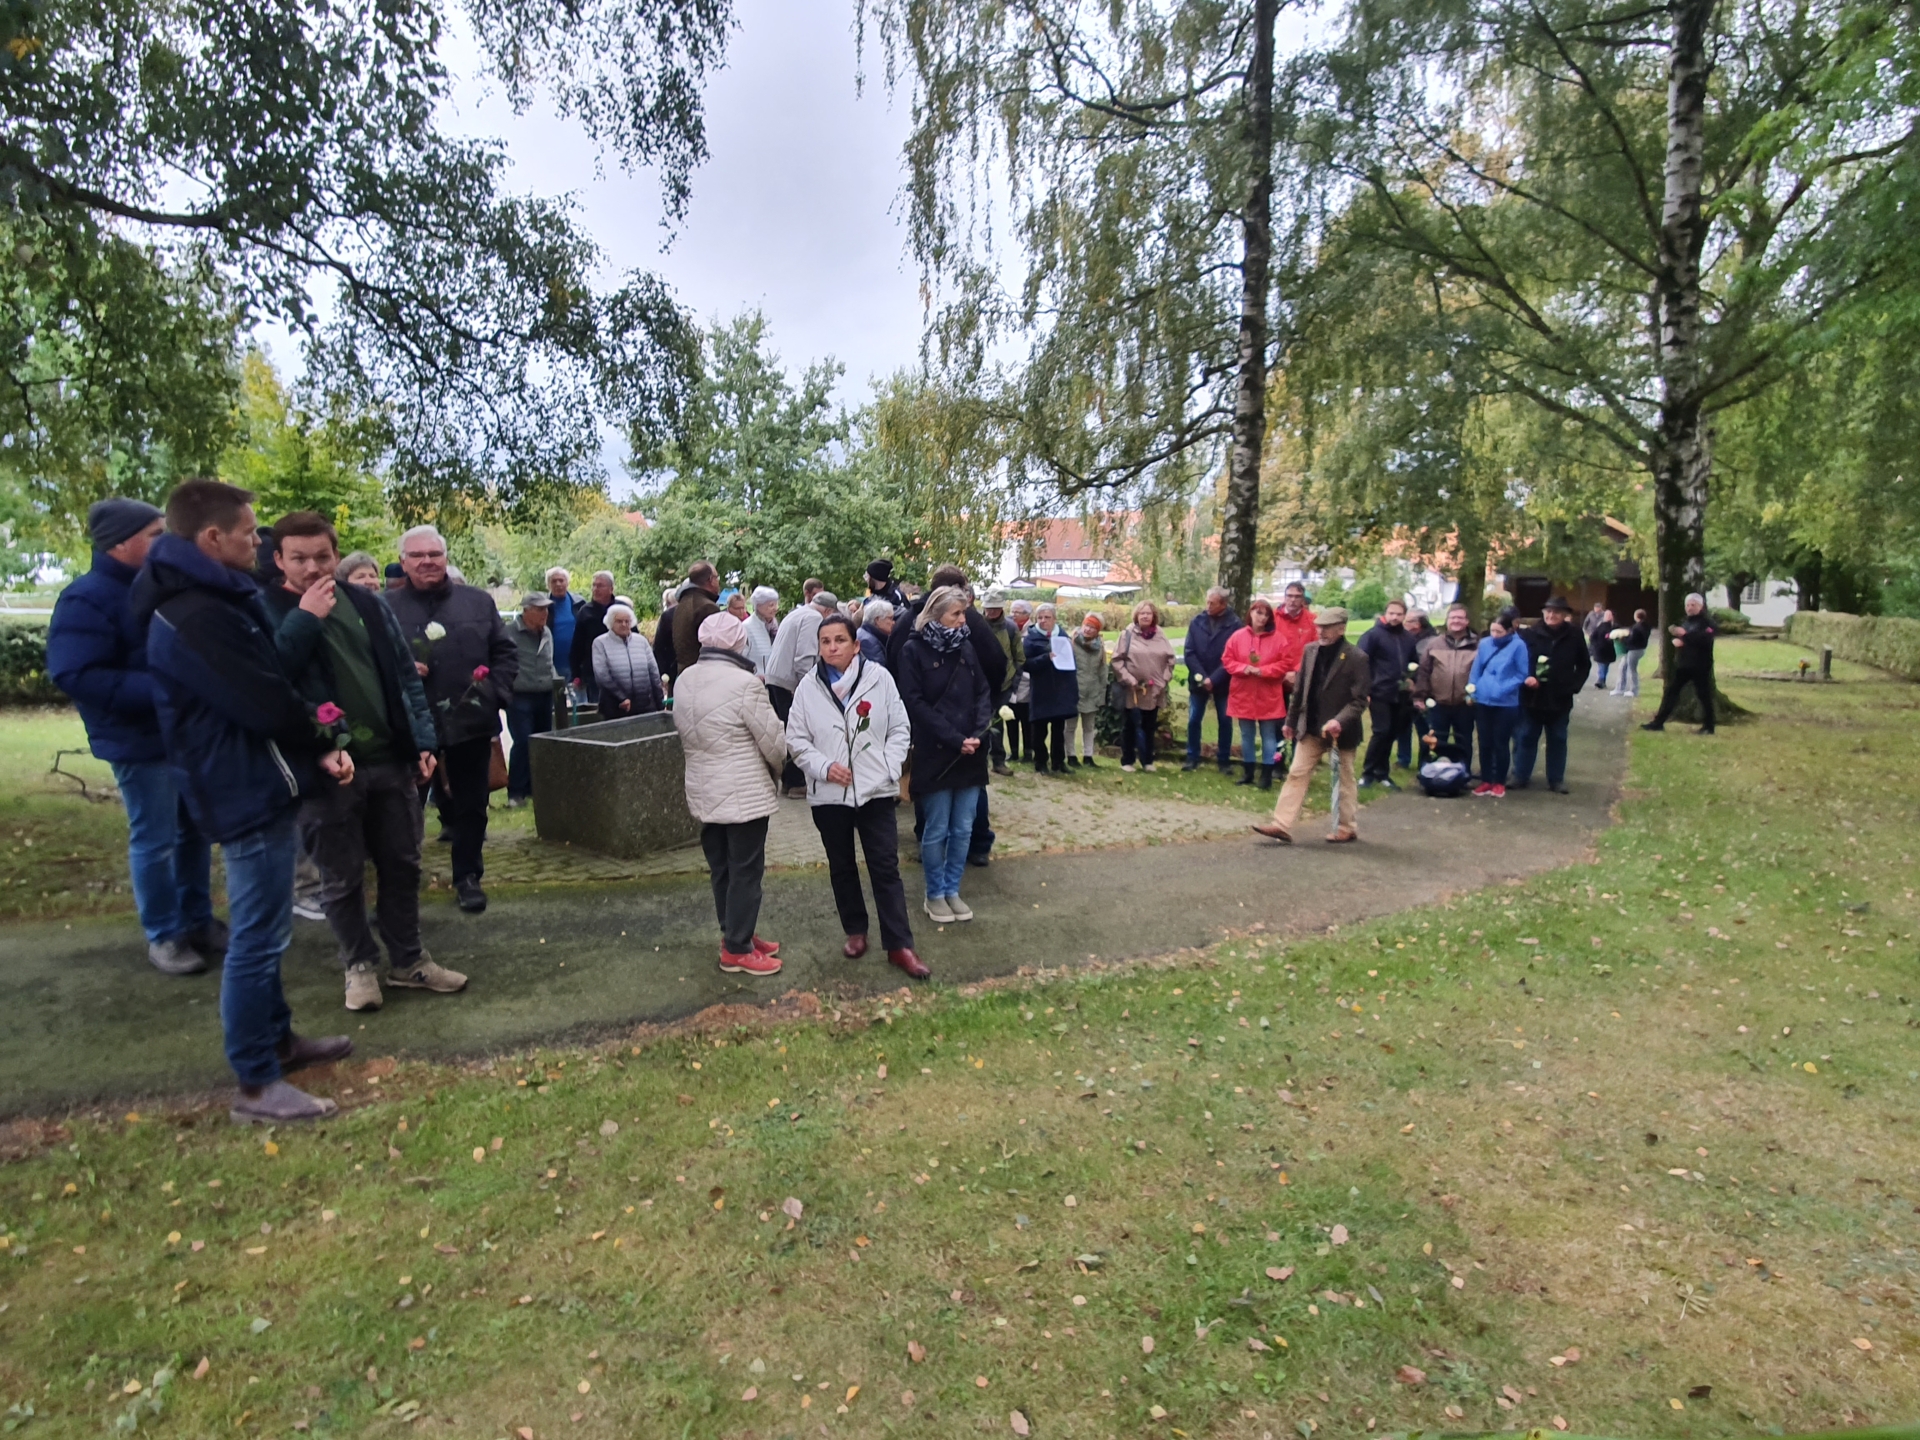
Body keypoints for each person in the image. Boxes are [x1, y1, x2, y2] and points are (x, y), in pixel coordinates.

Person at [132, 479, 355, 1123]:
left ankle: (278, 1041)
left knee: (269, 932)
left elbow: (269, 684)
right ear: (211, 538)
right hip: (240, 787)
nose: (258, 542)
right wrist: (320, 738)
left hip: (260, 777)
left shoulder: (217, 599)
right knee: (257, 937)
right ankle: (256, 1082)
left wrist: (312, 746)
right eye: (251, 532)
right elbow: (262, 699)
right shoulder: (197, 614)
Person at [261, 511, 463, 1013]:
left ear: (335, 554)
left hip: (390, 761)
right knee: (341, 874)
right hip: (326, 769)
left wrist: (421, 739)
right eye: (299, 558)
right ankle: (358, 966)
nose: (312, 567)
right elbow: (269, 683)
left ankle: (409, 960)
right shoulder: (266, 608)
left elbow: (402, 675)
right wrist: (305, 617)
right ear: (279, 559)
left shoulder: (366, 604)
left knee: (402, 863)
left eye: (322, 556)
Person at [48, 498, 219, 976]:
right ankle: (165, 935)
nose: (165, 543)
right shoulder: (87, 597)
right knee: (156, 838)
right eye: (154, 534)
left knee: (194, 832)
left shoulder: (161, 588)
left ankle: (198, 920)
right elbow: (75, 672)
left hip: (183, 736)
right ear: (120, 543)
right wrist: (166, 689)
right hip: (139, 741)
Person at [385, 524, 517, 914]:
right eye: (418, 556)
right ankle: (399, 889)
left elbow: (506, 654)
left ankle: (468, 876)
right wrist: (400, 672)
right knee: (401, 811)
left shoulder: (477, 602)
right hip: (409, 724)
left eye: (434, 555)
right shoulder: (385, 608)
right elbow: (367, 664)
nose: (427, 562)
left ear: (445, 558)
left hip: (469, 721)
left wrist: (490, 694)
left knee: (471, 805)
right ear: (403, 563)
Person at [785, 614, 926, 978]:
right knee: (842, 865)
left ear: (856, 644)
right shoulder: (807, 687)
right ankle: (856, 930)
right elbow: (796, 739)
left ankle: (899, 945)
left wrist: (888, 767)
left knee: (885, 867)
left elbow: (899, 728)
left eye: (839, 640)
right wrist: (823, 766)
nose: (832, 647)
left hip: (875, 792)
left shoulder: (879, 679)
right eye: (825, 641)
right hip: (829, 795)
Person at [672, 611, 787, 975]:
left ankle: (736, 933)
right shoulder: (745, 683)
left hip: (703, 789)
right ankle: (737, 948)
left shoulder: (685, 679)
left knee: (721, 867)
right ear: (740, 642)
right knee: (746, 871)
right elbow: (773, 743)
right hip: (743, 792)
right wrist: (780, 771)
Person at [896, 585, 991, 924]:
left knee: (964, 827)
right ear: (937, 615)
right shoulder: (913, 650)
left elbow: (982, 689)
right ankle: (934, 893)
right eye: (957, 614)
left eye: (963, 613)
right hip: (937, 751)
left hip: (971, 751)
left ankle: (953, 889)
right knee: (936, 829)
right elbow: (914, 702)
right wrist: (954, 738)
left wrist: (978, 732)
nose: (963, 619)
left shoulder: (965, 646)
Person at [1252, 606, 1368, 844]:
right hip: (1311, 727)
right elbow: (1300, 689)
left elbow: (1359, 700)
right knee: (1296, 773)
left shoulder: (1357, 657)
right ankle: (1281, 824)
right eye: (1319, 627)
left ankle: (1347, 827)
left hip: (1341, 732)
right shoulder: (1310, 651)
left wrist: (1340, 720)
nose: (1321, 632)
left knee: (1344, 778)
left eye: (1327, 628)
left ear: (1341, 629)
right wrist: (1291, 722)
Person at [1512, 595, 1591, 793]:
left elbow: (1584, 664)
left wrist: (1574, 686)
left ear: (1565, 615)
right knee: (1527, 736)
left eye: (1556, 612)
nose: (1551, 615)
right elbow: (1518, 661)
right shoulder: (1529, 634)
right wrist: (1526, 678)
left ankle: (1556, 779)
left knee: (1558, 738)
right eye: (1548, 611)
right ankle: (1520, 776)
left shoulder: (1574, 634)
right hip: (1532, 697)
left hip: (1560, 697)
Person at [766, 588, 840, 795]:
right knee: (798, 730)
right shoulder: (814, 618)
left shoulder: (797, 612)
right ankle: (796, 781)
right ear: (827, 611)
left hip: (776, 678)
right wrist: (804, 688)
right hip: (789, 682)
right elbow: (804, 657)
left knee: (788, 729)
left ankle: (789, 781)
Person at [1221, 596, 1287, 788]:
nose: (1262, 618)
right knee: (1246, 734)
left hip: (1268, 694)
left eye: (1266, 615)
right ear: (1250, 613)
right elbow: (1227, 660)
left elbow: (1284, 664)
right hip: (1243, 693)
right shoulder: (1237, 637)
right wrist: (1243, 668)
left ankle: (1266, 774)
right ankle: (1248, 772)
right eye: (1258, 613)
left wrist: (1264, 671)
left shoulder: (1279, 639)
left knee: (1268, 735)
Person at [1355, 599, 1418, 789]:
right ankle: (1367, 773)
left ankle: (1382, 773)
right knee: (1381, 731)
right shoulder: (1373, 635)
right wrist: (1364, 690)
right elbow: (1360, 663)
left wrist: (1411, 679)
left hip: (1400, 693)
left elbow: (1414, 662)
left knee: (1392, 733)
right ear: (1385, 613)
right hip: (1379, 691)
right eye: (1391, 613)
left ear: (1404, 616)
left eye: (1399, 614)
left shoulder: (1408, 638)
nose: (1395, 617)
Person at [1466, 608, 1529, 797]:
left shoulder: (1519, 646)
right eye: (1492, 630)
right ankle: (1486, 779)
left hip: (1505, 703)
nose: (1495, 635)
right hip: (1483, 699)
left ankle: (1499, 781)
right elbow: (1476, 669)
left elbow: (1521, 673)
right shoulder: (1485, 644)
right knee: (1484, 741)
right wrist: (1472, 689)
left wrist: (1503, 688)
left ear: (1510, 630)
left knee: (1500, 742)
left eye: (1499, 632)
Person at [1413, 603, 1479, 774]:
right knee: (1434, 739)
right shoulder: (1434, 643)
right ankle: (1429, 772)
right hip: (1438, 702)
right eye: (1452, 617)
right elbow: (1424, 672)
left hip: (1465, 703)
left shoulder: (1477, 645)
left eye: (1460, 618)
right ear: (1447, 621)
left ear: (1467, 621)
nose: (1456, 621)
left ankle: (1463, 772)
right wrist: (1419, 697)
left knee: (1464, 741)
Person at [1183, 587, 1242, 772]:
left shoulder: (1235, 625)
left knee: (1225, 721)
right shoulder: (1197, 622)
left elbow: (1234, 656)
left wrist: (1214, 679)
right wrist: (1202, 676)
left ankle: (1223, 760)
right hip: (1198, 680)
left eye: (1212, 603)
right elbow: (1189, 652)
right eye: (1207, 601)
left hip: (1223, 682)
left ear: (1223, 604)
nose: (1208, 606)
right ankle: (1192, 756)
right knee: (1194, 719)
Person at [1112, 601, 1176, 772]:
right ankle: (1128, 761)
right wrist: (1129, 679)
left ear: (1154, 616)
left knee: (1149, 725)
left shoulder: (1160, 635)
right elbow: (1117, 660)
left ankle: (1148, 761)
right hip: (1133, 690)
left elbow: (1171, 660)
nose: (1145, 616)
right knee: (1130, 725)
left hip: (1155, 690)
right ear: (1136, 616)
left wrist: (1164, 680)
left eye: (1148, 613)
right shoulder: (1127, 634)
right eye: (1142, 613)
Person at [506, 593, 556, 805]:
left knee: (541, 742)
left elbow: (548, 661)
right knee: (523, 741)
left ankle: (535, 789)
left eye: (546, 609)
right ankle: (515, 793)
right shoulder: (509, 632)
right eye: (540, 609)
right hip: (519, 695)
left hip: (545, 693)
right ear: (527, 610)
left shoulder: (546, 632)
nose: (545, 613)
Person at [1643, 592, 1717, 733]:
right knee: (1671, 692)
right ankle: (1658, 722)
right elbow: (1687, 638)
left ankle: (1709, 726)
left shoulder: (1707, 623)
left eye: (1693, 605)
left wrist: (1685, 636)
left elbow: (1705, 640)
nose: (1689, 608)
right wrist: (1680, 642)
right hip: (1684, 664)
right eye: (1687, 605)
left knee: (1704, 695)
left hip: (1700, 665)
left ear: (1701, 606)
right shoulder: (1686, 621)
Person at [1022, 602, 1077, 774]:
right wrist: (1046, 658)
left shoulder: (1062, 636)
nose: (1044, 621)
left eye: (1047, 617)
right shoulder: (1031, 638)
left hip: (1061, 689)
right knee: (1039, 729)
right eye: (1040, 617)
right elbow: (1026, 664)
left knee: (1058, 729)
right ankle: (1041, 763)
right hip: (1041, 689)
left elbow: (1070, 662)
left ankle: (1058, 762)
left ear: (1054, 619)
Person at [590, 604, 664, 716]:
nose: (624, 625)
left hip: (645, 705)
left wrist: (660, 702)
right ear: (610, 623)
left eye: (627, 621)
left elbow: (653, 672)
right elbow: (602, 676)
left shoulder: (641, 641)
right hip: (615, 706)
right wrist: (621, 698)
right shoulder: (600, 643)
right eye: (619, 621)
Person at [980, 590, 1022, 773]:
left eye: (995, 609)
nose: (991, 612)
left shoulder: (1011, 628)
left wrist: (1014, 682)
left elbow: (1019, 658)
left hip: (1003, 684)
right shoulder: (977, 625)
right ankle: (979, 760)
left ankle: (998, 761)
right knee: (979, 723)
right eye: (988, 609)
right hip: (980, 683)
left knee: (997, 723)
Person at [568, 571, 617, 704]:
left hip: (619, 670)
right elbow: (577, 646)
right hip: (593, 673)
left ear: (611, 589)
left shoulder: (621, 610)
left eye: (600, 586)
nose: (595, 589)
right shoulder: (585, 612)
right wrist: (576, 674)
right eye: (594, 585)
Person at [670, 561, 723, 680]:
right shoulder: (707, 607)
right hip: (704, 676)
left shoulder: (683, 604)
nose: (718, 581)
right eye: (716, 577)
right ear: (710, 580)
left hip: (686, 674)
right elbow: (716, 647)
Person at [1069, 613, 1107, 766]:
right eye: (1087, 625)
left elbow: (1102, 670)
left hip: (1092, 690)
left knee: (1089, 726)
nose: (1088, 630)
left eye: (1093, 627)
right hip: (1073, 689)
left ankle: (1088, 756)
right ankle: (1070, 755)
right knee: (1070, 726)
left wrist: (1102, 692)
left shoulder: (1100, 647)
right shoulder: (1072, 642)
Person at [545, 568, 582, 687]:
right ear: (548, 585)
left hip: (575, 664)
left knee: (578, 702)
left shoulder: (579, 603)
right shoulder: (543, 606)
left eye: (561, 580)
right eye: (554, 581)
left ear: (567, 582)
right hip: (551, 664)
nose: (558, 584)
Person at [1613, 609, 1651, 697]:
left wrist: (1623, 640)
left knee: (1631, 669)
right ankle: (1620, 688)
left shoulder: (1637, 628)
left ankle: (1634, 690)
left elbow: (1633, 639)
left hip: (1634, 649)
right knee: (1622, 667)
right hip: (1639, 649)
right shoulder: (1644, 626)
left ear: (1636, 616)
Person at [745, 586, 780, 676]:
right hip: (755, 682)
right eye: (771, 605)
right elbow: (741, 658)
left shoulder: (774, 626)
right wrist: (755, 675)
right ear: (759, 606)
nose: (776, 608)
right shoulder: (746, 627)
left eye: (776, 604)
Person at [1587, 607, 1616, 691]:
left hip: (1609, 649)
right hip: (1600, 649)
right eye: (1606, 615)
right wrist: (1596, 645)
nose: (1608, 616)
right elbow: (1593, 637)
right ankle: (1601, 680)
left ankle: (1602, 680)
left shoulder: (1614, 626)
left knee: (1605, 665)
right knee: (1602, 665)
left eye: (1609, 615)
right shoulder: (1601, 626)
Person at [859, 599, 895, 667]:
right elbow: (879, 673)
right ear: (877, 620)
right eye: (890, 618)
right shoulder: (868, 642)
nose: (893, 623)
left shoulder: (866, 635)